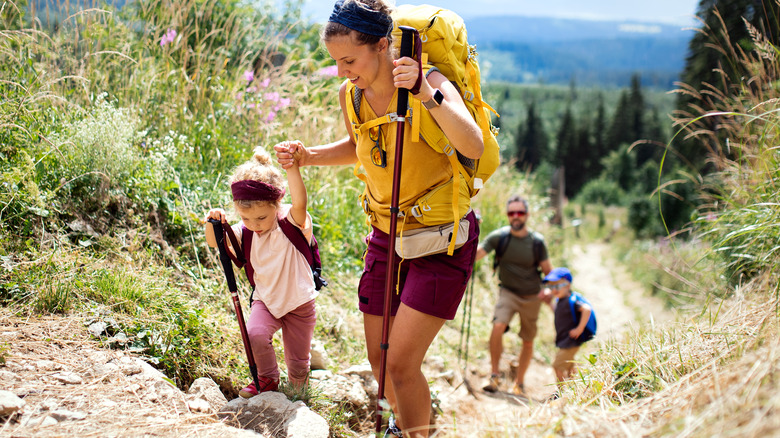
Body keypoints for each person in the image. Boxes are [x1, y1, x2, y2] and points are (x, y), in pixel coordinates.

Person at [275, 1, 483, 436]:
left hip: (441, 238)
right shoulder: (350, 94)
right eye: (335, 62)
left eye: (349, 60)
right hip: (386, 235)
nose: (341, 71)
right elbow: (360, 145)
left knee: (403, 365)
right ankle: (406, 425)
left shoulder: (428, 82)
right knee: (380, 361)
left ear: (383, 45)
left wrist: (426, 92)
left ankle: (413, 433)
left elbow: (473, 143)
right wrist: (308, 156)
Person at [206, 144, 317, 397]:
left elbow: (300, 201)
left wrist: (292, 168)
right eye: (246, 219)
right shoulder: (244, 232)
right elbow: (215, 242)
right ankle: (267, 379)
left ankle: (300, 392)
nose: (254, 225)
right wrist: (212, 222)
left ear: (277, 205)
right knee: (255, 334)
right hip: (266, 299)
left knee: (298, 362)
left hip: (299, 302)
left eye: (261, 218)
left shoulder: (290, 222)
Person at [475, 195, 553, 397]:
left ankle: (519, 383)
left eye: (520, 213)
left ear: (527, 215)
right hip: (508, 292)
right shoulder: (499, 237)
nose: (516, 217)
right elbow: (476, 254)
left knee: (528, 340)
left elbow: (549, 273)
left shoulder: (537, 242)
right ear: (507, 215)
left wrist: (548, 289)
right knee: (497, 326)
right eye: (512, 213)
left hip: (532, 297)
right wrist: (470, 233)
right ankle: (494, 376)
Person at [541, 267, 592, 397]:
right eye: (551, 287)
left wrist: (579, 329)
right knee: (570, 365)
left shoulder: (572, 300)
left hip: (572, 340)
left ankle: (562, 391)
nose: (554, 290)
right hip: (565, 339)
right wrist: (549, 304)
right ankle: (574, 388)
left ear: (568, 285)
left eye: (558, 286)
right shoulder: (560, 301)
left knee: (557, 365)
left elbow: (586, 309)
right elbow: (560, 315)